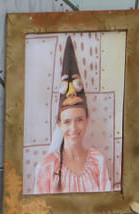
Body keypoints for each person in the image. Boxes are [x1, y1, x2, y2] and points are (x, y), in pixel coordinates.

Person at [33, 36, 111, 194]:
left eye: (79, 119)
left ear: (88, 120)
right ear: (59, 124)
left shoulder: (98, 161)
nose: (74, 128)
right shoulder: (47, 166)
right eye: (67, 121)